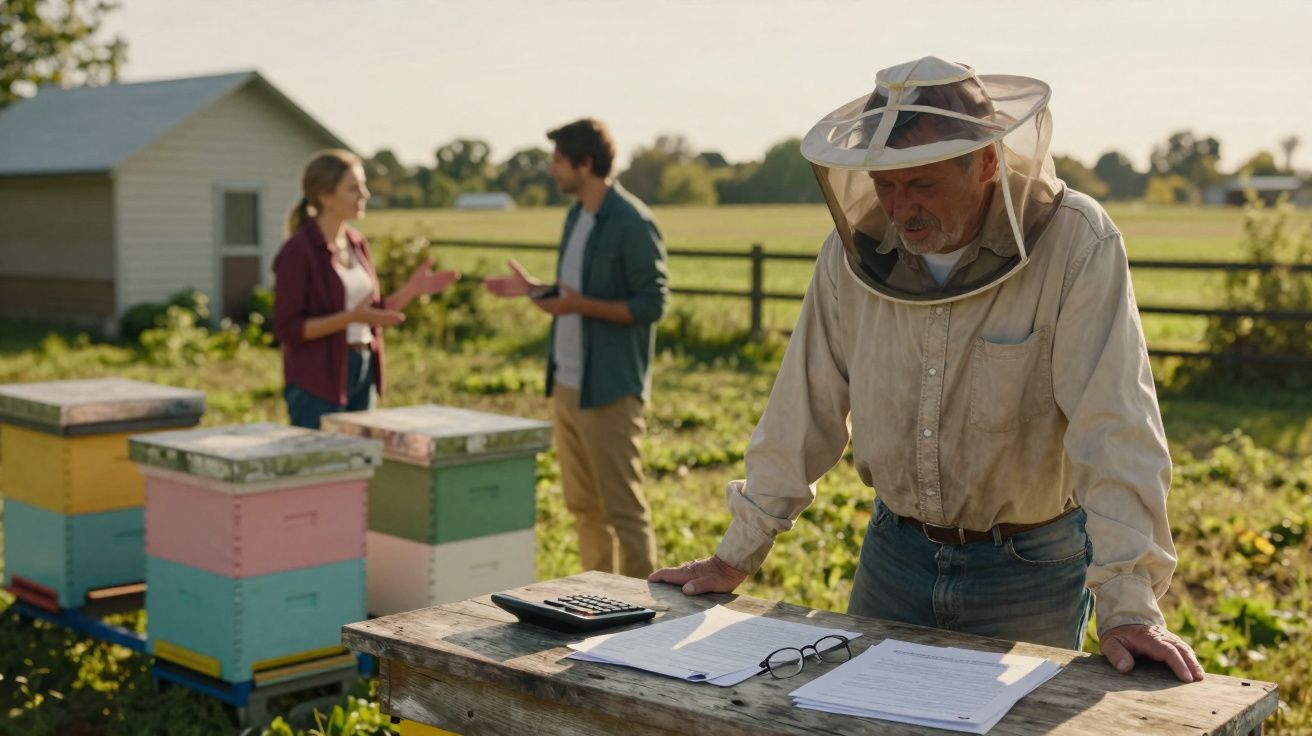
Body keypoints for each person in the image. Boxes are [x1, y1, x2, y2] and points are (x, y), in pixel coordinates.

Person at [650, 56, 1206, 683]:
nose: (899, 207)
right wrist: (735, 556)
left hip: (1030, 567)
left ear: (988, 161)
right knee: (855, 721)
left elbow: (1115, 427)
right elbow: (803, 406)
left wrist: (1128, 604)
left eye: (923, 185)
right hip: (894, 555)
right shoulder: (852, 254)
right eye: (885, 184)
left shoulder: (1076, 242)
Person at [485, 118, 669, 578]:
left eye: (558, 161)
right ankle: (601, 603)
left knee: (624, 511)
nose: (551, 170)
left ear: (585, 164)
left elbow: (651, 304)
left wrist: (576, 304)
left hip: (608, 389)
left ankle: (643, 623)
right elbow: (575, 293)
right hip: (566, 383)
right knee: (583, 509)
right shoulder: (575, 216)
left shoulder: (632, 222)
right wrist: (536, 290)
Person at [272, 149, 459, 429]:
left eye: (363, 185)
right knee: (324, 468)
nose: (365, 194)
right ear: (325, 196)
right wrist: (351, 318)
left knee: (361, 465)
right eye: (353, 188)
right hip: (317, 380)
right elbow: (288, 329)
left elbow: (372, 312)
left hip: (363, 369)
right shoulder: (299, 251)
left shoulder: (357, 242)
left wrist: (412, 290)